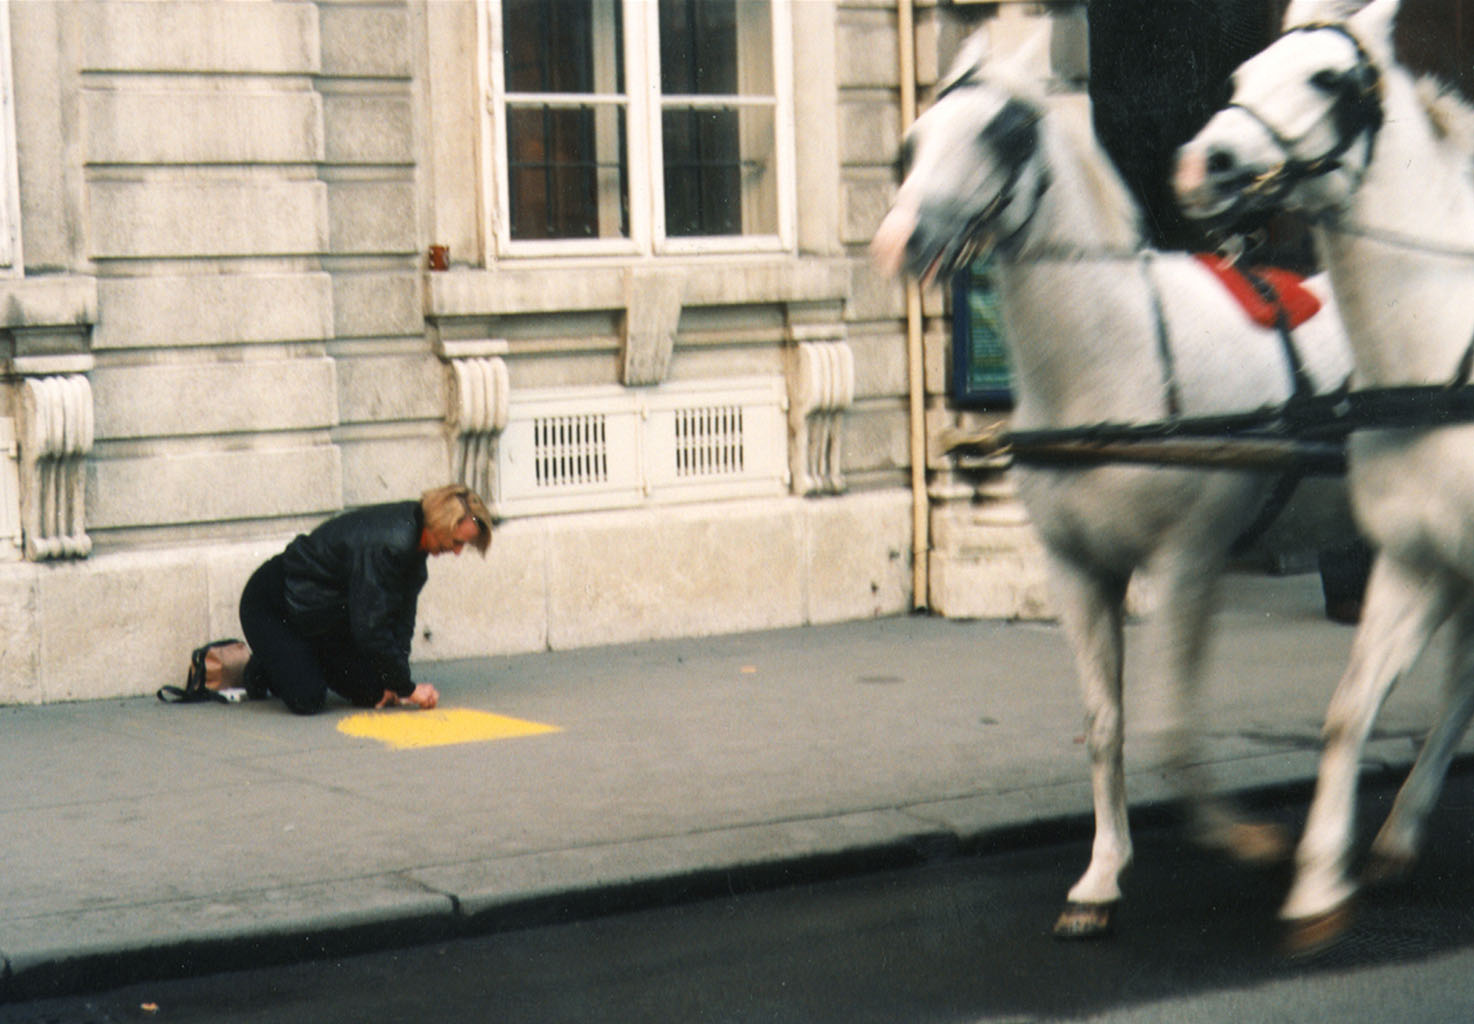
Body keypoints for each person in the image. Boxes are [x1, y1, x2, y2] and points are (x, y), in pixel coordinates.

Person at [239, 484, 492, 715]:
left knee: (375, 692)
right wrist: (407, 688)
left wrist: (397, 682)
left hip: (318, 617)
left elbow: (401, 620)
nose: (457, 552)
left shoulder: (415, 544)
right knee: (308, 698)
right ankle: (263, 667)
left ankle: (291, 658)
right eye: (457, 542)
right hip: (273, 605)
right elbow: (370, 627)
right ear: (439, 523)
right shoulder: (390, 546)